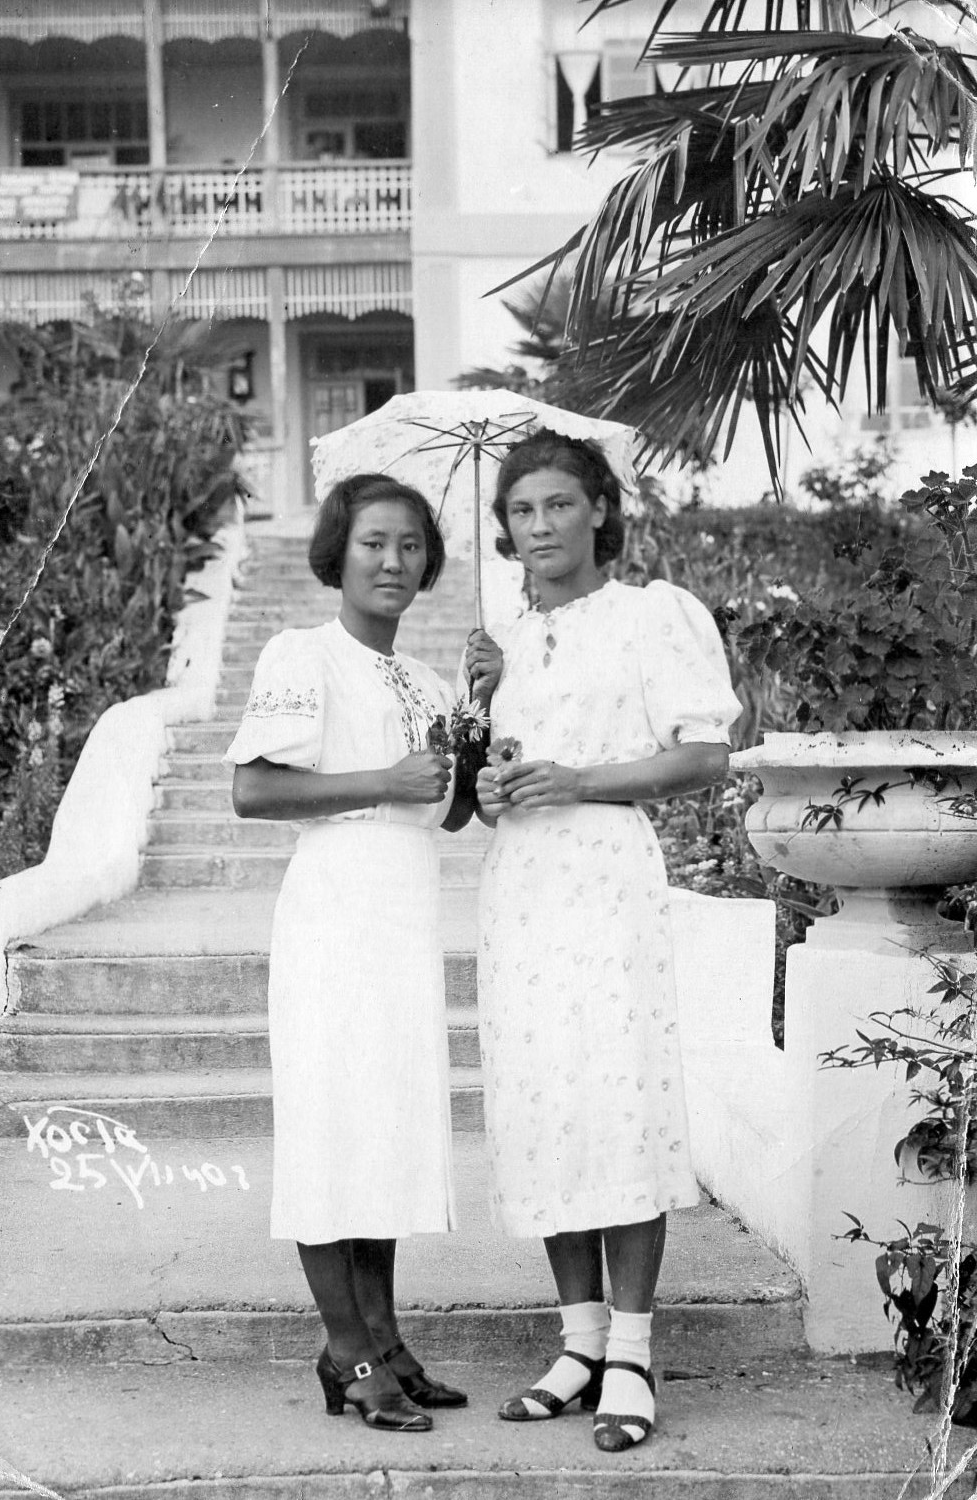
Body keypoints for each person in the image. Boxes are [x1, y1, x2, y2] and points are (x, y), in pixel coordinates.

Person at [464, 430, 741, 1452]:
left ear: (599, 511)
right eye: (520, 511)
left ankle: (631, 1352)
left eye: (556, 505)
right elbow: (487, 796)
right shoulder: (503, 641)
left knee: (617, 1102)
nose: (538, 526)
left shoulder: (650, 616)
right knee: (545, 1105)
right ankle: (578, 1345)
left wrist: (578, 779)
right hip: (520, 890)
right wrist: (491, 769)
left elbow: (704, 756)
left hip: (606, 883)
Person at [226, 474, 480, 1433]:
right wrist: (383, 777)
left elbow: (447, 813)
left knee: (385, 1133)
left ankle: (386, 1337)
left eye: (411, 545)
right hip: (333, 914)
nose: (393, 561)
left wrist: (478, 715)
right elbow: (253, 791)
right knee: (334, 1134)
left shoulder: (428, 682)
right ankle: (349, 1351)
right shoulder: (304, 654)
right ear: (338, 552)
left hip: (404, 919)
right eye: (374, 542)